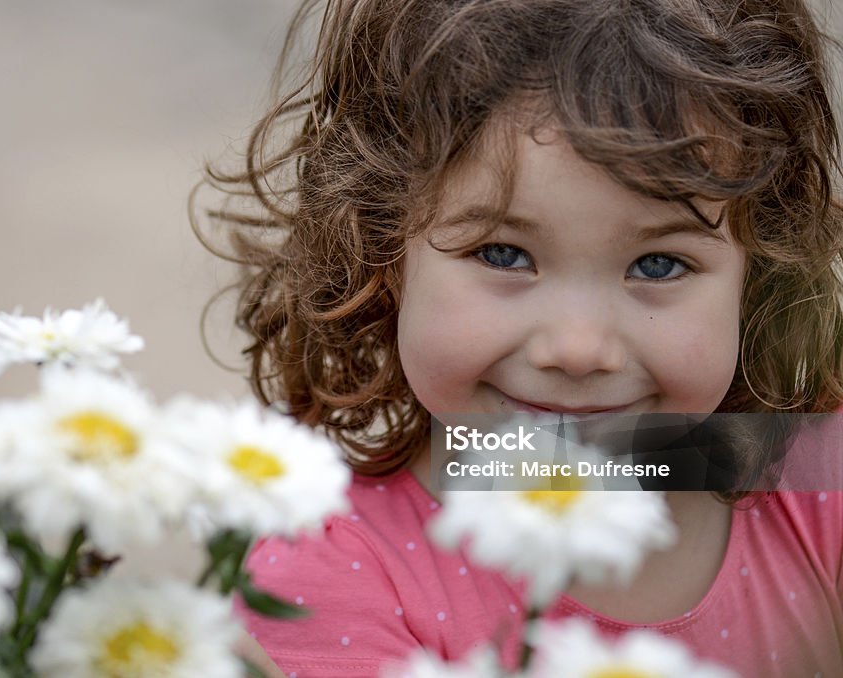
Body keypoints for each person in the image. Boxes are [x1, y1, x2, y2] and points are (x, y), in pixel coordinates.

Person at [196, 0, 843, 675]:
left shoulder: (817, 485)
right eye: (503, 254)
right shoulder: (333, 573)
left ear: (759, 272)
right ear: (384, 257)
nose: (577, 348)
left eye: (658, 265)